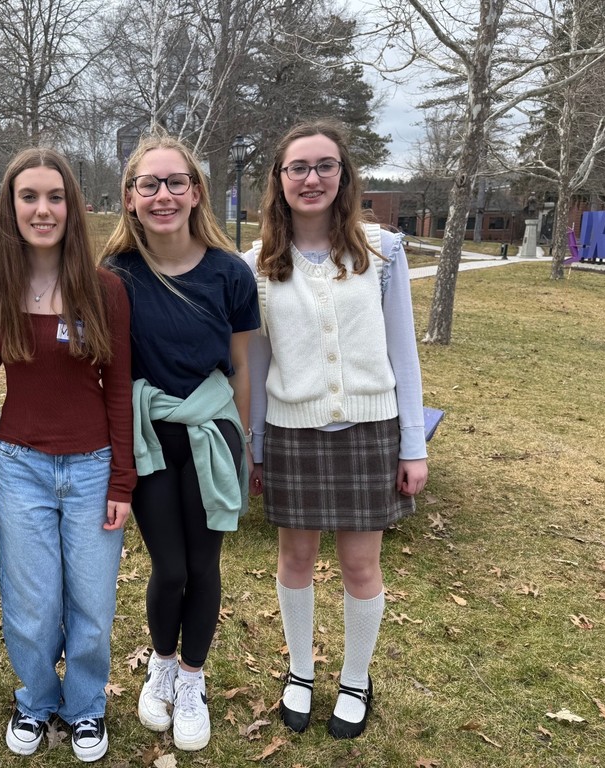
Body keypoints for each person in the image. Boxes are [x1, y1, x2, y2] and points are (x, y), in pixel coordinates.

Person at [244, 120, 429, 740]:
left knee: (359, 567)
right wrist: (256, 447)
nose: (311, 178)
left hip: (369, 431)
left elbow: (404, 354)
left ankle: (355, 677)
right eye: (297, 168)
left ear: (344, 176)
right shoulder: (258, 265)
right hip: (292, 431)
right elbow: (260, 362)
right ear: (279, 180)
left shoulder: (383, 252)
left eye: (325, 166)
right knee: (295, 558)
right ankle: (299, 671)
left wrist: (413, 445)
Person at [0, 148, 135, 762]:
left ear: (73, 206)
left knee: (91, 599)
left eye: (55, 197)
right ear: (11, 208)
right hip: (20, 465)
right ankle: (36, 700)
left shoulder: (105, 290)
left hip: (93, 466)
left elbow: (118, 389)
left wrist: (123, 480)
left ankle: (85, 707)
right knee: (31, 600)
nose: (43, 209)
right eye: (29, 197)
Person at [101, 133, 259, 752]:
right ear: (131, 198)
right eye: (149, 184)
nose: (163, 195)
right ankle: (160, 665)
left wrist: (245, 444)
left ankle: (192, 680)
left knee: (204, 565)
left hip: (214, 434)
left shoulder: (229, 273)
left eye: (175, 183)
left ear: (196, 193)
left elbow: (242, 367)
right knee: (169, 567)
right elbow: (107, 369)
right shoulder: (115, 275)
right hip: (149, 436)